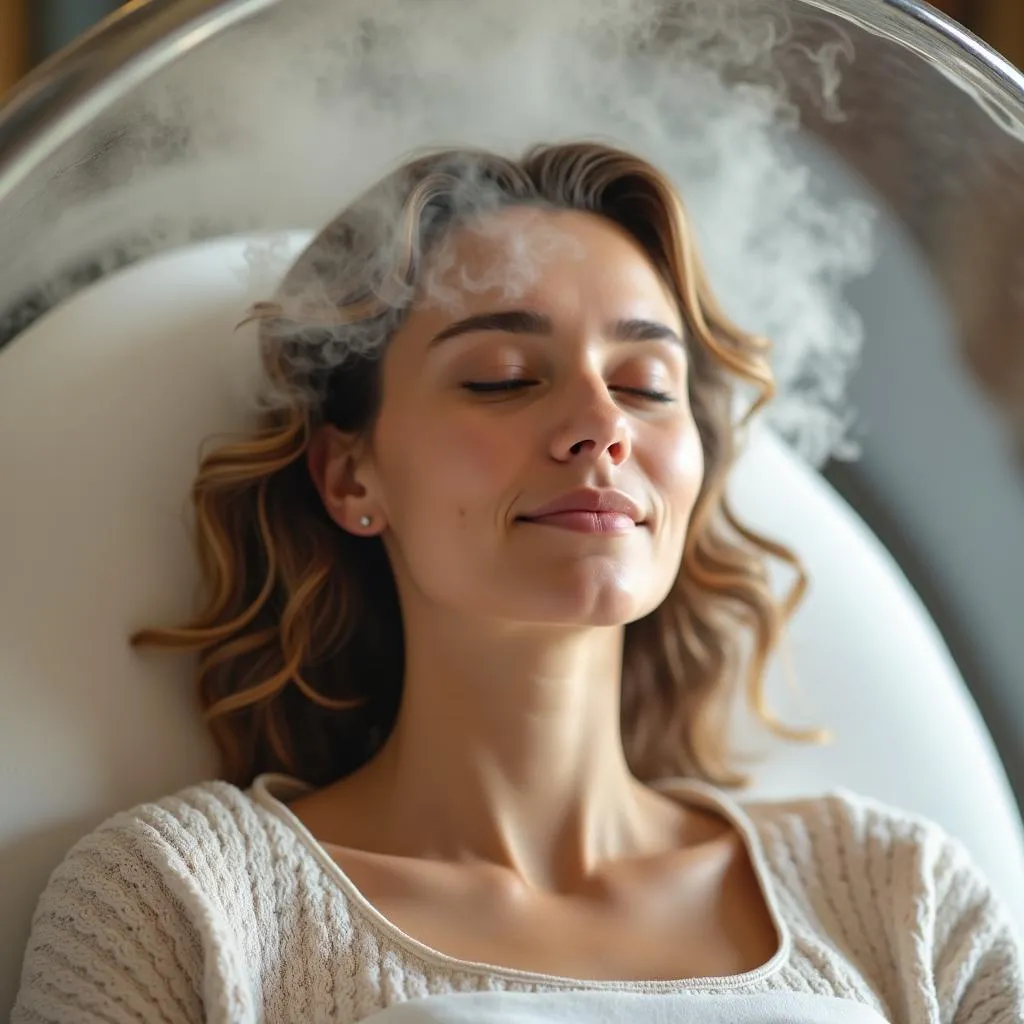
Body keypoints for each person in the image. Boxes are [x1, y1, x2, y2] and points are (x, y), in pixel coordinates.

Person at [11, 142, 1023, 1024]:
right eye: (502, 375)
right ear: (350, 473)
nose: (602, 424)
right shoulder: (180, 902)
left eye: (643, 385)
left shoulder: (902, 898)